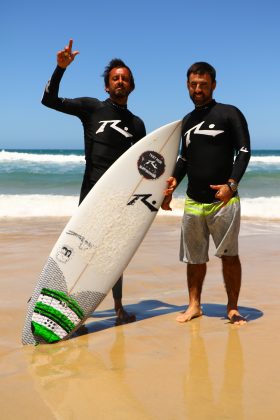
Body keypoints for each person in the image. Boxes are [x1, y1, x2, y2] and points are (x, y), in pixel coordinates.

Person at [41, 39, 146, 325]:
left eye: (124, 78)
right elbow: (48, 100)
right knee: (80, 251)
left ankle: (119, 308)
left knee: (114, 254)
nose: (120, 82)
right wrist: (60, 69)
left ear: (131, 85)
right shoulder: (92, 108)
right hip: (91, 193)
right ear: (107, 85)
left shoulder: (137, 125)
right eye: (115, 78)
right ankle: (68, 306)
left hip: (120, 199)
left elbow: (142, 169)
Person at [162, 62, 251, 325]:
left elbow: (244, 152)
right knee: (194, 258)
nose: (198, 89)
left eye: (203, 84)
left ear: (213, 84)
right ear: (188, 86)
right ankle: (194, 305)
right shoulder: (187, 121)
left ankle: (232, 308)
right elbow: (184, 158)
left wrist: (231, 185)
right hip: (193, 201)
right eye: (193, 84)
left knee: (229, 255)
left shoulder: (229, 113)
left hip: (223, 201)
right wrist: (172, 185)